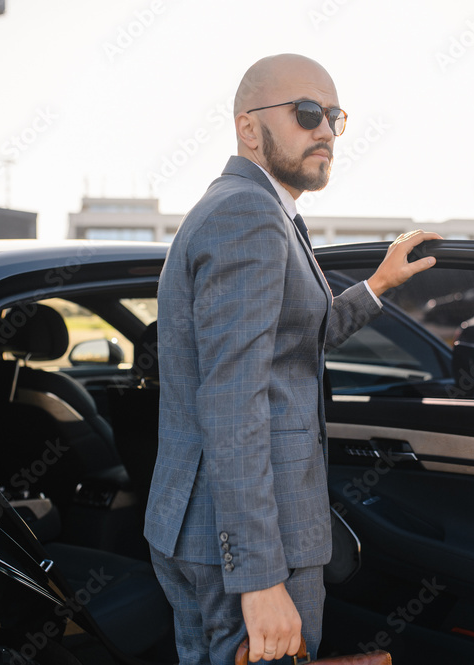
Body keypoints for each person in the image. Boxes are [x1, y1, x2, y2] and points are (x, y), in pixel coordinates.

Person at [144, 53, 439, 665]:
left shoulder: (265, 208)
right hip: (239, 544)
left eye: (335, 116)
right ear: (248, 128)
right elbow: (233, 400)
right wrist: (258, 579)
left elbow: (291, 341)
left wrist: (376, 286)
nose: (326, 130)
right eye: (307, 113)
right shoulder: (246, 213)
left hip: (213, 528)